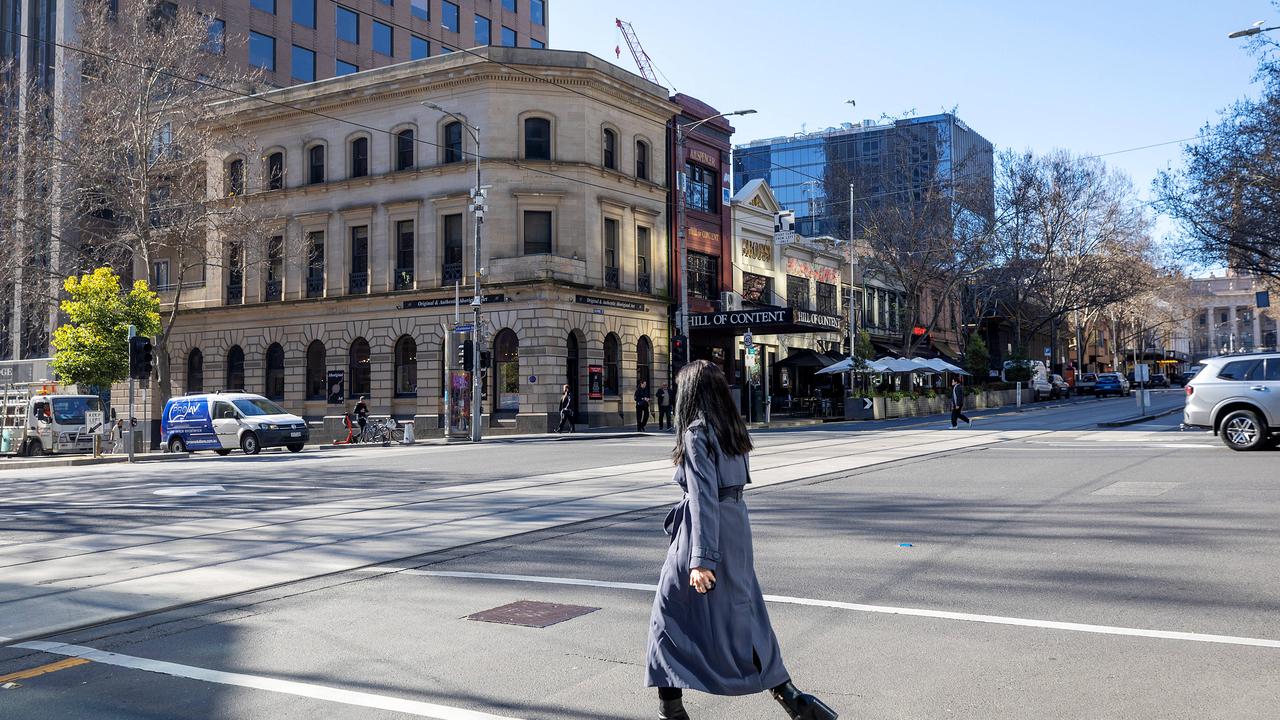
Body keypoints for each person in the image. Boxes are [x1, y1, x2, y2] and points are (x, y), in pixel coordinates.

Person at [646, 360, 837, 720]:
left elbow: (703, 497)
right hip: (736, 528)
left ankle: (671, 712)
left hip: (704, 532)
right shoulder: (732, 429)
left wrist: (701, 559)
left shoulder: (696, 432)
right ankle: (794, 699)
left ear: (689, 394)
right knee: (746, 617)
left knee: (666, 619)